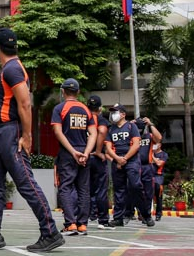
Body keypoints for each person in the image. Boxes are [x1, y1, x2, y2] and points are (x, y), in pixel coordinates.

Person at [0, 29, 62, 253]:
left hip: (10, 132)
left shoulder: (12, 68)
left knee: (26, 183)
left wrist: (27, 136)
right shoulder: (9, 68)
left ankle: (50, 232)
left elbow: (25, 103)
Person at [50, 78, 96, 236]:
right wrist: (86, 152)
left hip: (68, 153)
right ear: (78, 92)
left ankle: (70, 224)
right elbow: (93, 133)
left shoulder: (60, 108)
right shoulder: (86, 109)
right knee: (83, 189)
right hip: (84, 152)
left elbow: (58, 132)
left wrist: (72, 151)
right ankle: (82, 224)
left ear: (63, 91)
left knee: (65, 187)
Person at [104, 104, 153, 228]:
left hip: (131, 161)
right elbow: (108, 148)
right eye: (112, 112)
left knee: (135, 186)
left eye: (115, 112)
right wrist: (117, 159)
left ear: (123, 114)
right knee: (119, 190)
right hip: (117, 161)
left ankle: (146, 215)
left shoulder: (131, 127)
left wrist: (124, 159)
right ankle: (118, 218)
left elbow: (136, 145)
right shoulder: (111, 129)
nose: (113, 115)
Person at [86, 95, 113, 230]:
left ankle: (80, 220)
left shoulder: (83, 119)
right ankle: (103, 220)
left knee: (83, 189)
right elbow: (102, 131)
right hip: (96, 158)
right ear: (100, 108)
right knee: (101, 190)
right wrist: (97, 151)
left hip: (83, 157)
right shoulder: (100, 119)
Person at [134, 117, 161, 223]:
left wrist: (150, 124)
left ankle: (147, 215)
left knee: (148, 192)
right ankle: (140, 213)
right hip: (135, 166)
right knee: (136, 190)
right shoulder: (133, 137)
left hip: (147, 167)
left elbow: (159, 138)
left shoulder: (149, 136)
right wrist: (129, 124)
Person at [152, 143, 168, 221]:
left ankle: (158, 214)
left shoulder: (164, 154)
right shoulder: (149, 153)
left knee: (158, 195)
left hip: (158, 176)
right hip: (149, 175)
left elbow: (159, 164)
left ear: (160, 145)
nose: (154, 145)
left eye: (156, 144)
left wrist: (152, 156)